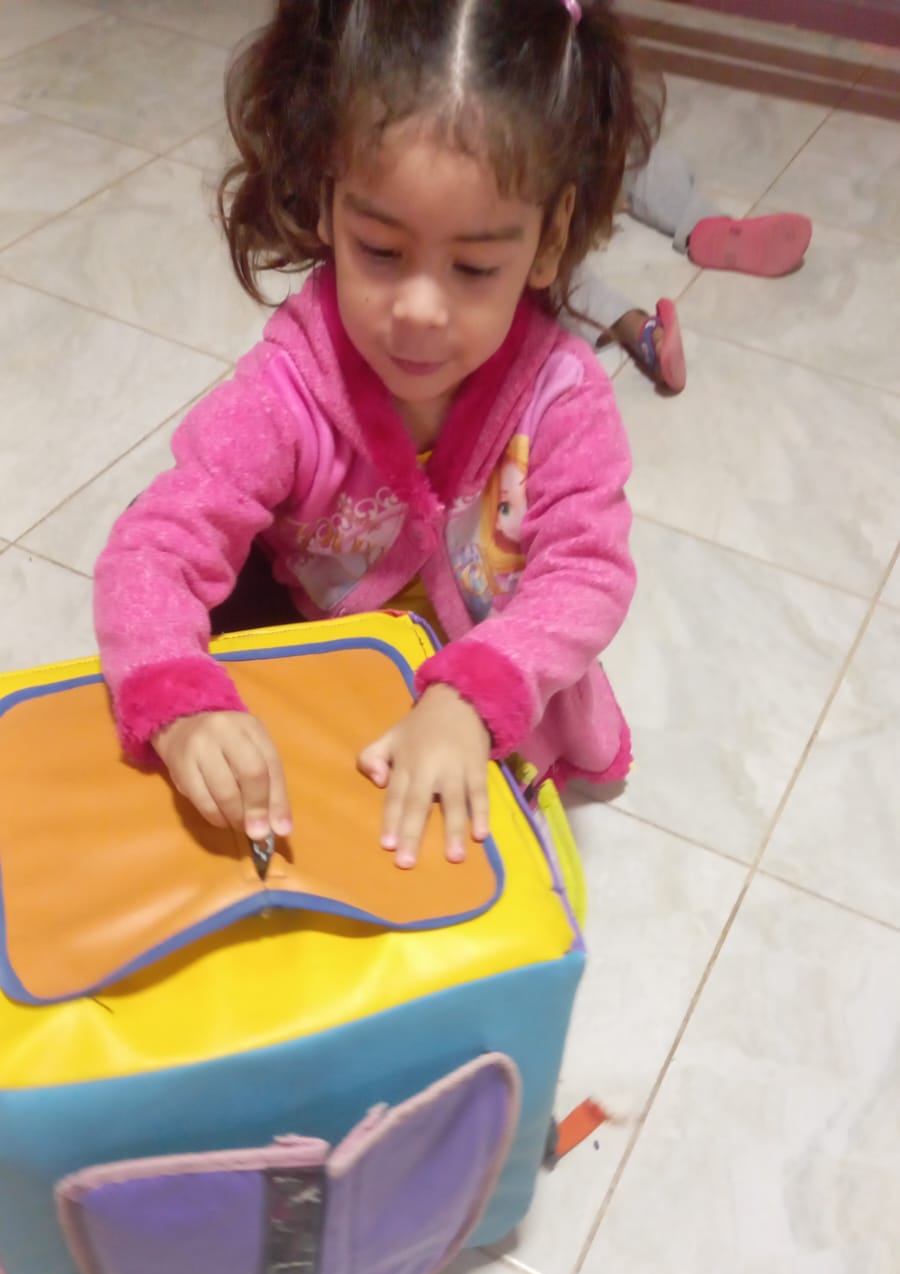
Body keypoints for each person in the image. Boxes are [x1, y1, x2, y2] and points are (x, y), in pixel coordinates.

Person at [94, 0, 655, 871]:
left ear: (548, 243)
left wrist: (475, 696)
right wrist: (181, 704)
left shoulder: (562, 398)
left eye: (474, 267)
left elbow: (587, 573)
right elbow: (154, 549)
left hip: (499, 686)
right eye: (381, 251)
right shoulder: (286, 391)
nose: (419, 310)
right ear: (328, 201)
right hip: (336, 684)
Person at [571, 138, 813, 392]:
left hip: (581, 155)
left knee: (640, 150)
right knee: (554, 275)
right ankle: (638, 328)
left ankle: (710, 229)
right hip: (555, 191)